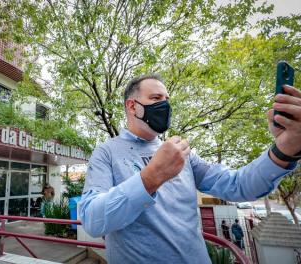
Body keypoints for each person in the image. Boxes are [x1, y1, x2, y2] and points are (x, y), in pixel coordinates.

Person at [79, 74, 301, 263]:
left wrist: (284, 149)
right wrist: (150, 177)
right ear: (132, 106)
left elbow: (238, 185)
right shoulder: (106, 152)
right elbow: (92, 219)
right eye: (156, 98)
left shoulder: (181, 152)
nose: (164, 106)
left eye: (167, 100)